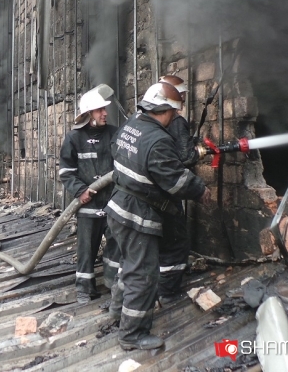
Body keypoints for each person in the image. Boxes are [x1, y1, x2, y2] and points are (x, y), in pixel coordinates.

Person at [106, 82, 213, 350]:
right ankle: (131, 335)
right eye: (174, 113)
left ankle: (117, 312)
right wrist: (200, 189)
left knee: (129, 266)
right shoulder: (158, 140)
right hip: (136, 215)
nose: (175, 118)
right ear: (164, 110)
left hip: (118, 207)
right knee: (143, 275)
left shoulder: (131, 125)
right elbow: (176, 182)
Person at [59, 86, 121, 304]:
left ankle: (113, 285)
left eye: (104, 109)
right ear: (87, 114)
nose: (104, 113)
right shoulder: (73, 138)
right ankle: (85, 289)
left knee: (116, 245)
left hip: (113, 202)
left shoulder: (114, 133)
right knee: (86, 248)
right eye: (99, 110)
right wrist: (80, 191)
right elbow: (66, 172)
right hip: (88, 203)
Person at [156, 74, 206, 303]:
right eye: (181, 95)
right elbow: (185, 157)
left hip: (151, 194)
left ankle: (158, 284)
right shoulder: (176, 121)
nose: (183, 99)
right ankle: (168, 292)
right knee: (175, 241)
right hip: (168, 192)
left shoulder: (146, 121)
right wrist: (199, 152)